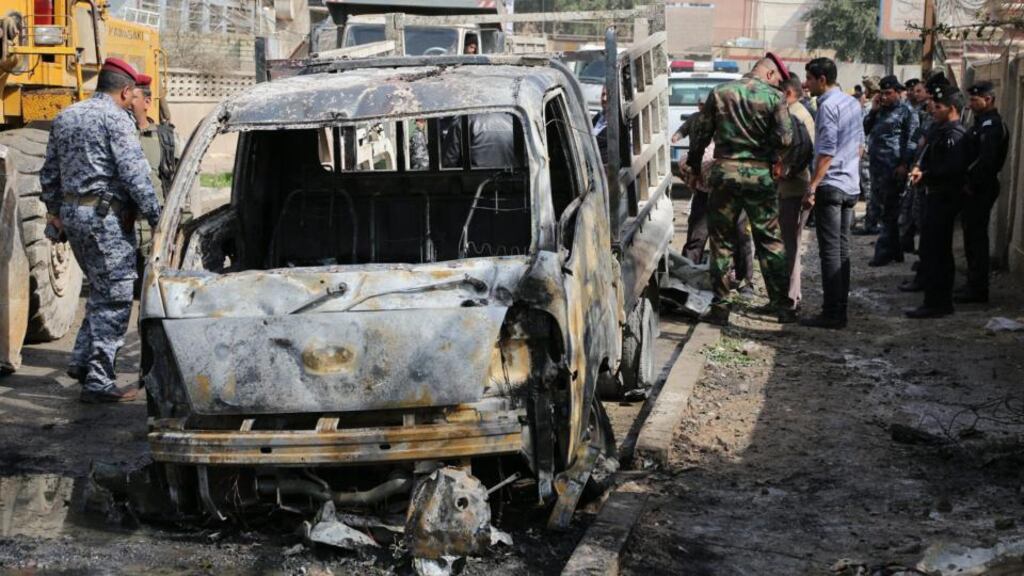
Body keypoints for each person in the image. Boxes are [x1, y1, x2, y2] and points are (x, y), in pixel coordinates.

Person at [39, 58, 160, 402]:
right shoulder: (115, 119)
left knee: (100, 290)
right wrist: (158, 219)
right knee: (117, 295)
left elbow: (49, 173)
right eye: (134, 94)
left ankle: (81, 362)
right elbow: (135, 175)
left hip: (73, 216)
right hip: (105, 219)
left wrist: (55, 212)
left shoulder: (66, 116)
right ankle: (99, 381)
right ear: (126, 91)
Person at [687, 52, 795, 326]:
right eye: (777, 80)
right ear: (769, 74)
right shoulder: (775, 98)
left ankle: (721, 307)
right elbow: (786, 139)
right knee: (770, 240)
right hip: (759, 176)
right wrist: (771, 155)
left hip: (725, 174)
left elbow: (701, 133)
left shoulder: (720, 92)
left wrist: (695, 165)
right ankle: (782, 307)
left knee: (721, 241)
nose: (777, 85)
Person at [801, 57, 864, 329]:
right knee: (842, 250)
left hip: (832, 186)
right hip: (850, 184)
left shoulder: (827, 106)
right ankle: (840, 310)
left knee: (830, 252)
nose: (806, 84)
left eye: (809, 79)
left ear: (822, 79)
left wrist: (812, 186)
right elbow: (860, 146)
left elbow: (826, 152)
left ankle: (832, 313)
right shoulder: (852, 103)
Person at [906, 84, 968, 318]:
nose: (933, 109)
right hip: (935, 195)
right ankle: (934, 300)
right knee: (931, 249)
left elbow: (952, 170)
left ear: (952, 109)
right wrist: (919, 168)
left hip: (944, 198)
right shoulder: (940, 130)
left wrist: (926, 175)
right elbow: (927, 155)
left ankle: (938, 303)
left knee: (938, 252)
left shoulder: (955, 135)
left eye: (939, 107)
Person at [958, 81, 1010, 303]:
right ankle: (973, 283)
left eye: (974, 99)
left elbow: (986, 161)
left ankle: (978, 288)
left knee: (977, 238)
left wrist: (970, 182)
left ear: (988, 99)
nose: (970, 104)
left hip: (980, 187)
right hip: (972, 187)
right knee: (970, 237)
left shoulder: (992, 126)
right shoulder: (979, 123)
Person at [864, 75, 918, 267]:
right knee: (887, 209)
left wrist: (904, 164)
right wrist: (873, 111)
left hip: (894, 168)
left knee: (889, 210)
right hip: (877, 168)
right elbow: (866, 128)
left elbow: (912, 141)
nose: (884, 97)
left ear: (898, 93)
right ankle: (896, 250)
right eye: (882, 93)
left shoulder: (907, 112)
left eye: (888, 93)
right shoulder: (880, 110)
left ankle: (883, 252)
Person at [776, 74, 815, 308]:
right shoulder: (801, 112)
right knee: (790, 243)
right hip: (794, 187)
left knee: (791, 245)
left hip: (794, 188)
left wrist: (784, 172)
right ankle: (790, 296)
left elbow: (802, 154)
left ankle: (791, 299)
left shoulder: (795, 115)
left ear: (788, 93)